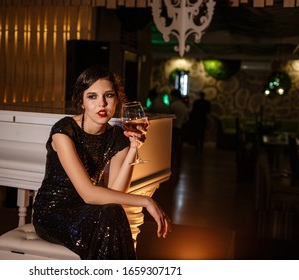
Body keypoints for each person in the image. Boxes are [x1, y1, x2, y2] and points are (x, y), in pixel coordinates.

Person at [32, 66, 172, 260]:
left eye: (108, 95)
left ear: (117, 100)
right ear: (81, 102)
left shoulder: (117, 137)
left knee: (112, 212)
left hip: (88, 210)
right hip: (53, 211)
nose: (102, 104)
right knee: (108, 219)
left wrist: (133, 148)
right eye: (92, 96)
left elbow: (116, 192)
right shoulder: (64, 131)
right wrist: (146, 201)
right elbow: (88, 194)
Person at [169, 89, 189, 169]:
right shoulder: (183, 105)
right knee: (179, 146)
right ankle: (178, 163)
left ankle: (172, 163)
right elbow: (186, 119)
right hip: (181, 128)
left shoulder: (173, 105)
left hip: (174, 128)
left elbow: (170, 118)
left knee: (172, 146)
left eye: (171, 96)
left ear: (174, 96)